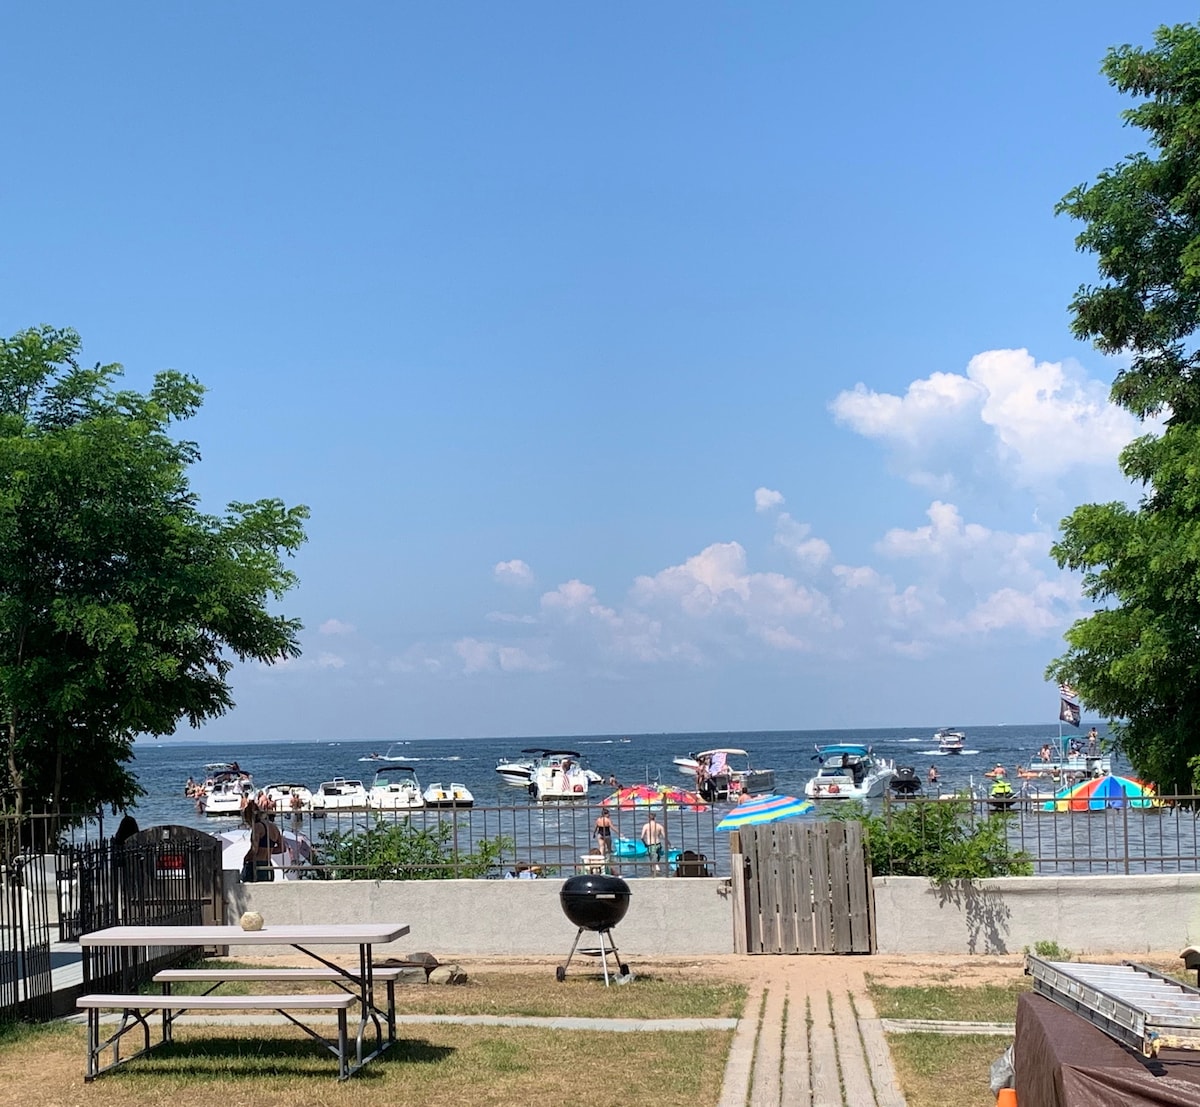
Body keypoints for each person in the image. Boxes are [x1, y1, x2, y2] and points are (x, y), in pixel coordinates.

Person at [241, 800, 286, 882]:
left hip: (256, 866)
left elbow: (254, 850)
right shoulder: (274, 827)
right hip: (268, 865)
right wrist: (268, 850)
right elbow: (282, 848)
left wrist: (246, 858)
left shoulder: (257, 827)